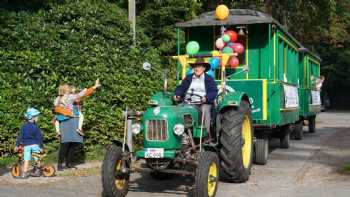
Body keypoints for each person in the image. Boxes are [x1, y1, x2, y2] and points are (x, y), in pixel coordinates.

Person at [55, 79, 100, 171]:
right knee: (66, 143)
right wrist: (94, 87)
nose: (74, 89)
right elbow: (82, 94)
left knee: (72, 143)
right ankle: (61, 164)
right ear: (68, 90)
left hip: (72, 120)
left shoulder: (60, 98)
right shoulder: (70, 97)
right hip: (67, 121)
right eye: (72, 88)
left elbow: (56, 105)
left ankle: (67, 163)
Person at [174, 58, 218, 133]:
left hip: (202, 103)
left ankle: (205, 133)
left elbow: (214, 91)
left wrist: (206, 98)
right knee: (176, 110)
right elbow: (181, 88)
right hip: (187, 102)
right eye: (195, 67)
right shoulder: (188, 78)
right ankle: (179, 132)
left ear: (203, 68)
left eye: (199, 66)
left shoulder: (209, 79)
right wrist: (178, 94)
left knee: (205, 110)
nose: (196, 68)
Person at [15, 107, 43, 179]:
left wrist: (17, 145)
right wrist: (41, 147)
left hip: (27, 145)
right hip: (35, 145)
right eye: (36, 116)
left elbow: (20, 137)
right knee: (37, 158)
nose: (37, 118)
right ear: (32, 117)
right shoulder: (36, 127)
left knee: (26, 160)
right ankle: (39, 171)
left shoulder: (23, 127)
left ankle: (24, 174)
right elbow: (39, 138)